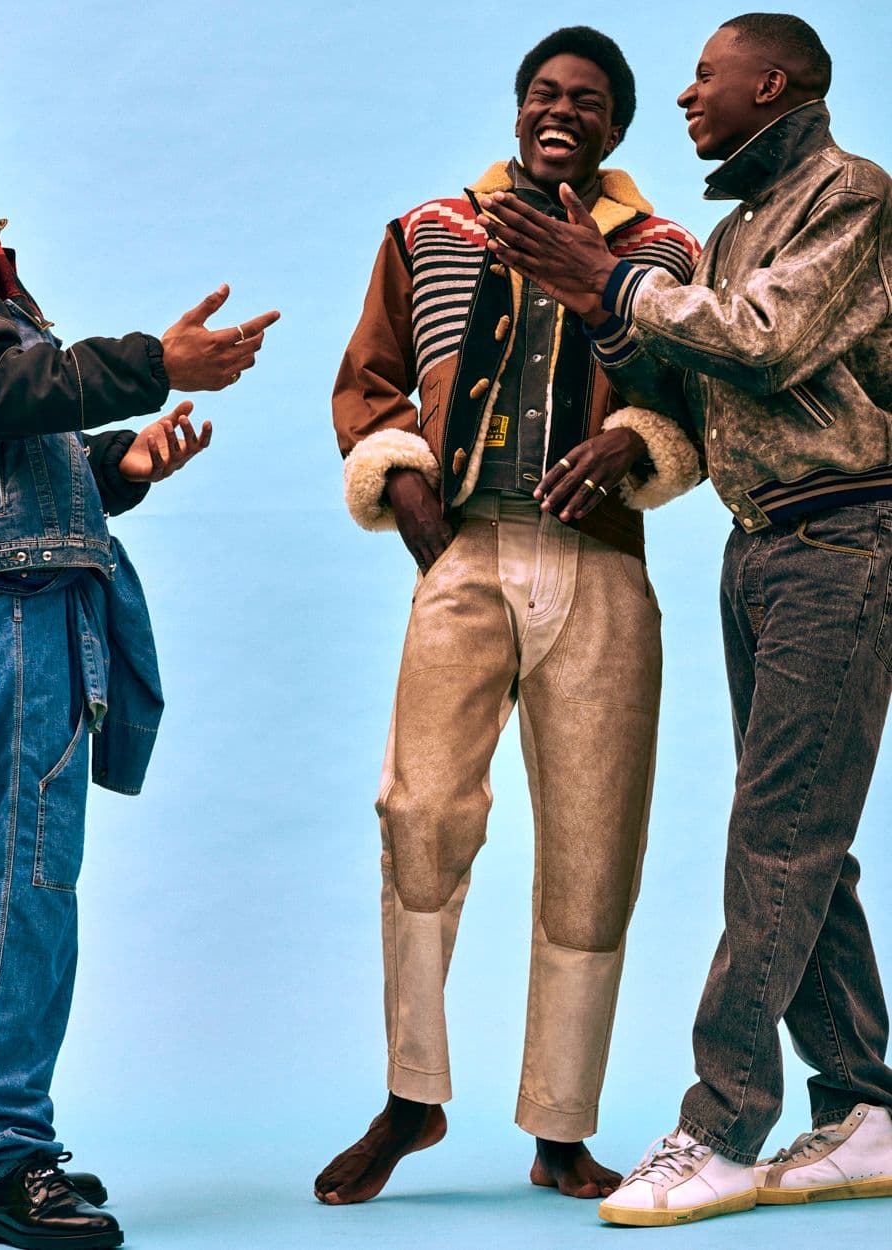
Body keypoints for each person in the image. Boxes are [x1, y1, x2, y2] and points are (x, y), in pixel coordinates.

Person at [476, 10, 892, 1227]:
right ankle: (866, 1105)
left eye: (707, 74)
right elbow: (690, 382)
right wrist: (598, 303)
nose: (684, 94)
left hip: (843, 540)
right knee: (804, 841)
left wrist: (617, 279)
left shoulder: (852, 194)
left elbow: (765, 339)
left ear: (775, 83)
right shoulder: (731, 227)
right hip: (761, 548)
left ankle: (719, 1128)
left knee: (777, 838)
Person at [315, 26, 701, 1206]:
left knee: (595, 842)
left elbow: (696, 398)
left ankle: (561, 1126)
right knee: (419, 811)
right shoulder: (428, 230)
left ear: (615, 125)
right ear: (518, 106)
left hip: (602, 567)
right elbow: (369, 379)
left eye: (586, 99)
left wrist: (634, 439)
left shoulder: (665, 253)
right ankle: (411, 1097)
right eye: (544, 92)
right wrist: (403, 483)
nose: (561, 110)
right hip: (465, 551)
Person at [0, 92, 279, 1249]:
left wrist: (117, 466)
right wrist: (155, 362)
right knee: (23, 865)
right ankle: (11, 1155)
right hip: (14, 595)